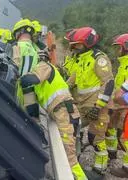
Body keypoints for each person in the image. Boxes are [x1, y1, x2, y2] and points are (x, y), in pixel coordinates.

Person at [19, 49, 87, 179]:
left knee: (69, 158)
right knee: (69, 155)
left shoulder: (43, 66)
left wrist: (19, 77)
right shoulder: (39, 82)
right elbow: (32, 109)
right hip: (62, 113)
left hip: (65, 112)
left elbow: (28, 80)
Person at [65, 27, 114, 174]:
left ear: (87, 42)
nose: (74, 47)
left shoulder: (99, 59)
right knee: (73, 128)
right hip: (81, 104)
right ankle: (75, 159)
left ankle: (100, 168)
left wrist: (98, 107)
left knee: (95, 137)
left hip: (96, 105)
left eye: (77, 44)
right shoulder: (81, 58)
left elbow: (108, 83)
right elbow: (72, 80)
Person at [108, 34, 128, 178]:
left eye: (119, 47)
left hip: (124, 106)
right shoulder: (123, 64)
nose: (117, 51)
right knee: (116, 132)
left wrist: (124, 99)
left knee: (125, 138)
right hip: (119, 105)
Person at [11, 18, 39, 119]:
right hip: (31, 95)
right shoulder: (35, 50)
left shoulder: (16, 47)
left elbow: (12, 69)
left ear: (19, 32)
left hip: (16, 93)